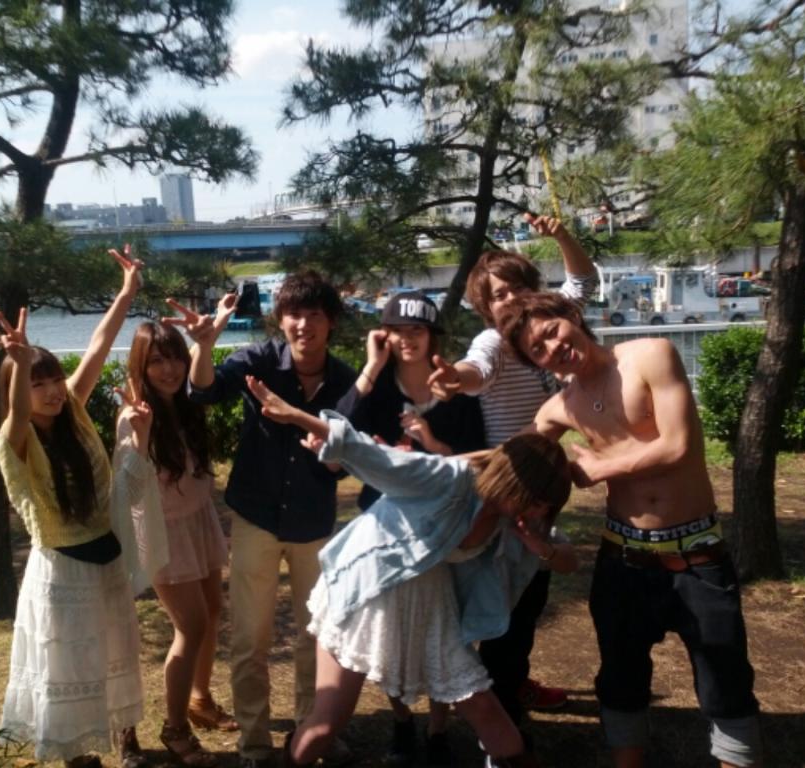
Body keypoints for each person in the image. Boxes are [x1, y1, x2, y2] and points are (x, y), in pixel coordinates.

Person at [242, 377, 572, 768]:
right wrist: (297, 416)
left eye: (546, 506)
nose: (538, 512)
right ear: (515, 482)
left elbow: (568, 560)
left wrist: (543, 547)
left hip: (430, 606)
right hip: (368, 594)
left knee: (483, 706)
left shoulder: (515, 523)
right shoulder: (451, 479)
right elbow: (372, 456)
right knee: (327, 723)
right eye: (537, 501)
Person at [498, 292, 762, 768]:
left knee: (725, 676)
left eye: (552, 331)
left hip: (697, 554)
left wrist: (601, 468)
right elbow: (512, 458)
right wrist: (435, 455)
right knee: (620, 678)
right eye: (537, 349)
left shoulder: (650, 355)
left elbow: (678, 445)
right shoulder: (561, 407)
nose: (552, 347)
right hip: (623, 557)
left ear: (571, 316)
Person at [181, 271, 359, 768]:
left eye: (314, 315)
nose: (304, 325)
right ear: (280, 320)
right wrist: (203, 346)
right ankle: (254, 742)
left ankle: (310, 731)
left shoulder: (346, 382)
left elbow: (354, 453)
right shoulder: (259, 361)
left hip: (313, 522)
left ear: (331, 322)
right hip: (256, 517)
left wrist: (335, 456)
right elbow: (204, 391)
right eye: (294, 314)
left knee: (316, 635)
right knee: (249, 638)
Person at [428, 214, 596, 725]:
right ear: (486, 308)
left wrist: (560, 234)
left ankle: (510, 684)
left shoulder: (549, 325)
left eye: (518, 287)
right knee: (502, 603)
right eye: (498, 295)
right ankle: (497, 711)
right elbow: (476, 372)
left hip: (543, 487)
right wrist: (454, 379)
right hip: (506, 489)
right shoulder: (495, 343)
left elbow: (583, 280)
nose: (510, 300)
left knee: (529, 597)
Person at [0, 246, 149, 768]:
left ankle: (127, 740)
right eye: (38, 384)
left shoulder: (73, 410)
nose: (53, 390)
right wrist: (20, 365)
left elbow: (99, 345)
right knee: (69, 663)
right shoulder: (13, 441)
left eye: (54, 379)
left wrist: (125, 294)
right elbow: (17, 414)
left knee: (116, 651)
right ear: (18, 389)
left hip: (106, 558)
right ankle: (79, 755)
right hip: (62, 570)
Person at [349, 290, 485, 766]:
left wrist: (430, 443)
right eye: (397, 331)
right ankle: (402, 722)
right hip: (385, 527)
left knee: (444, 630)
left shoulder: (457, 392)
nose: (407, 339)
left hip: (443, 530)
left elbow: (476, 465)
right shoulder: (377, 389)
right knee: (392, 632)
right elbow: (341, 428)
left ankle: (438, 728)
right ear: (383, 335)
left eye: (417, 330)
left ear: (432, 337)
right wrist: (371, 365)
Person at [114, 305, 240, 768]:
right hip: (163, 531)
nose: (169, 369)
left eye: (174, 358)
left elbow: (198, 361)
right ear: (140, 366)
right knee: (190, 626)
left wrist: (211, 333)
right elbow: (128, 485)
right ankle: (175, 728)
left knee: (212, 611)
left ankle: (200, 700)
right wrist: (139, 437)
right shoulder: (135, 414)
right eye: (156, 361)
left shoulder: (185, 401)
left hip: (198, 518)